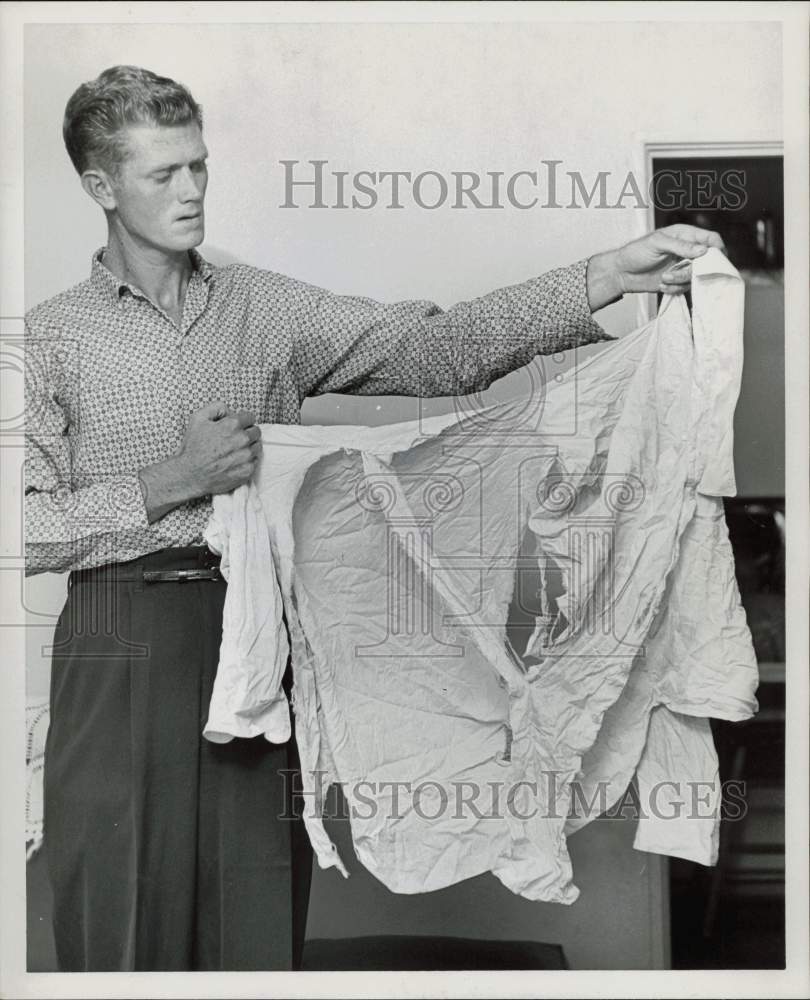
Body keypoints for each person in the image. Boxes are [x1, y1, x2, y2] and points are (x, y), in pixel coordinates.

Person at [24, 64, 724, 972]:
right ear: (100, 187)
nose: (194, 190)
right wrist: (169, 480)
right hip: (117, 638)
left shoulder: (262, 308)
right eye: (164, 174)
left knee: (255, 916)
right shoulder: (47, 338)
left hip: (259, 635)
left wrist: (602, 277)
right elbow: (21, 529)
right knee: (118, 911)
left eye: (199, 164)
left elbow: (433, 349)